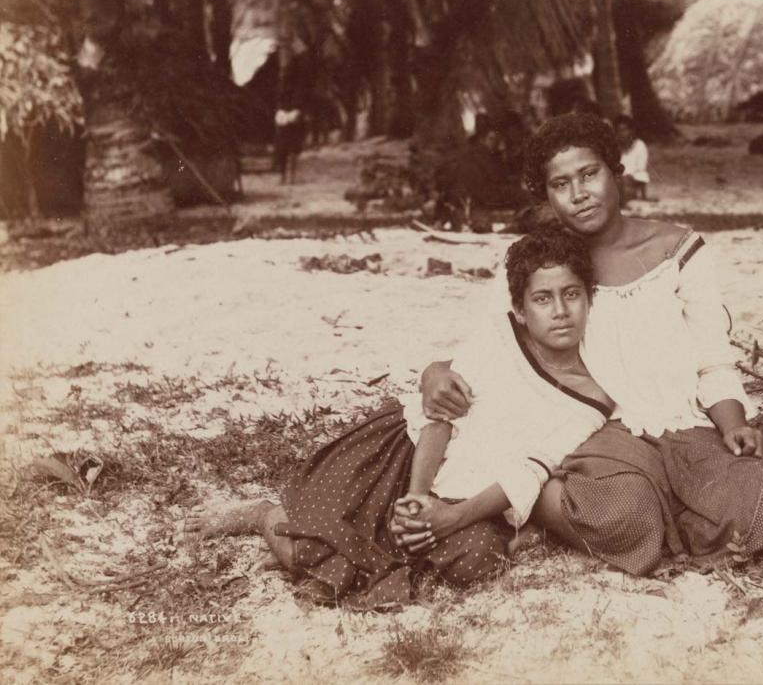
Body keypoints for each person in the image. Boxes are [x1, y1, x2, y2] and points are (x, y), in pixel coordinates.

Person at [416, 113, 763, 575]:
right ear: (546, 194)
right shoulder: (540, 262)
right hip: (591, 435)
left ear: (616, 170)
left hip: (683, 426)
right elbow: (491, 345)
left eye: (589, 174)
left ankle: (671, 513)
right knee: (625, 513)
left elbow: (712, 360)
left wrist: (732, 426)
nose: (579, 194)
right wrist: (434, 372)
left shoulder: (678, 251)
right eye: (560, 184)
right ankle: (551, 498)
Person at [186, 226, 612, 609]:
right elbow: (441, 416)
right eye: (542, 298)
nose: (559, 310)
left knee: (476, 560)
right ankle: (264, 514)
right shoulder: (499, 338)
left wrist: (451, 516)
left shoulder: (592, 398)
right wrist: (416, 499)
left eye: (571, 294)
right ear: (520, 310)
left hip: (469, 499)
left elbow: (529, 470)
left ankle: (455, 541)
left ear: (590, 299)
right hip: (406, 459)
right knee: (304, 549)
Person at [614, 114, 651, 203]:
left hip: (633, 178)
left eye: (624, 130)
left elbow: (641, 167)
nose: (622, 133)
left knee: (641, 175)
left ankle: (629, 196)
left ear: (631, 131)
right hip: (619, 179)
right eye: (619, 130)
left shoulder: (639, 145)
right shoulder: (615, 147)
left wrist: (628, 176)